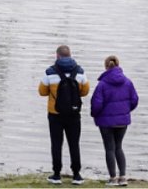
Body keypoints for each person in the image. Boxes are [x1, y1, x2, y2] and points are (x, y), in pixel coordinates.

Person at [39, 44, 89, 184]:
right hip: (74, 114)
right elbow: (85, 91)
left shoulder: (50, 72)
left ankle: (56, 175)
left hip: (55, 114)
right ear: (70, 55)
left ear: (57, 56)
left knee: (56, 143)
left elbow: (42, 92)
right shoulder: (80, 72)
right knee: (74, 144)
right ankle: (77, 175)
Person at [90, 55, 139, 186]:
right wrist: (125, 110)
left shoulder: (102, 84)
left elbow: (96, 103)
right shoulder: (128, 82)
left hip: (105, 122)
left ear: (106, 67)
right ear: (118, 65)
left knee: (109, 149)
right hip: (122, 121)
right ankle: (123, 177)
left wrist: (94, 114)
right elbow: (134, 100)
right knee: (118, 147)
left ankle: (112, 178)